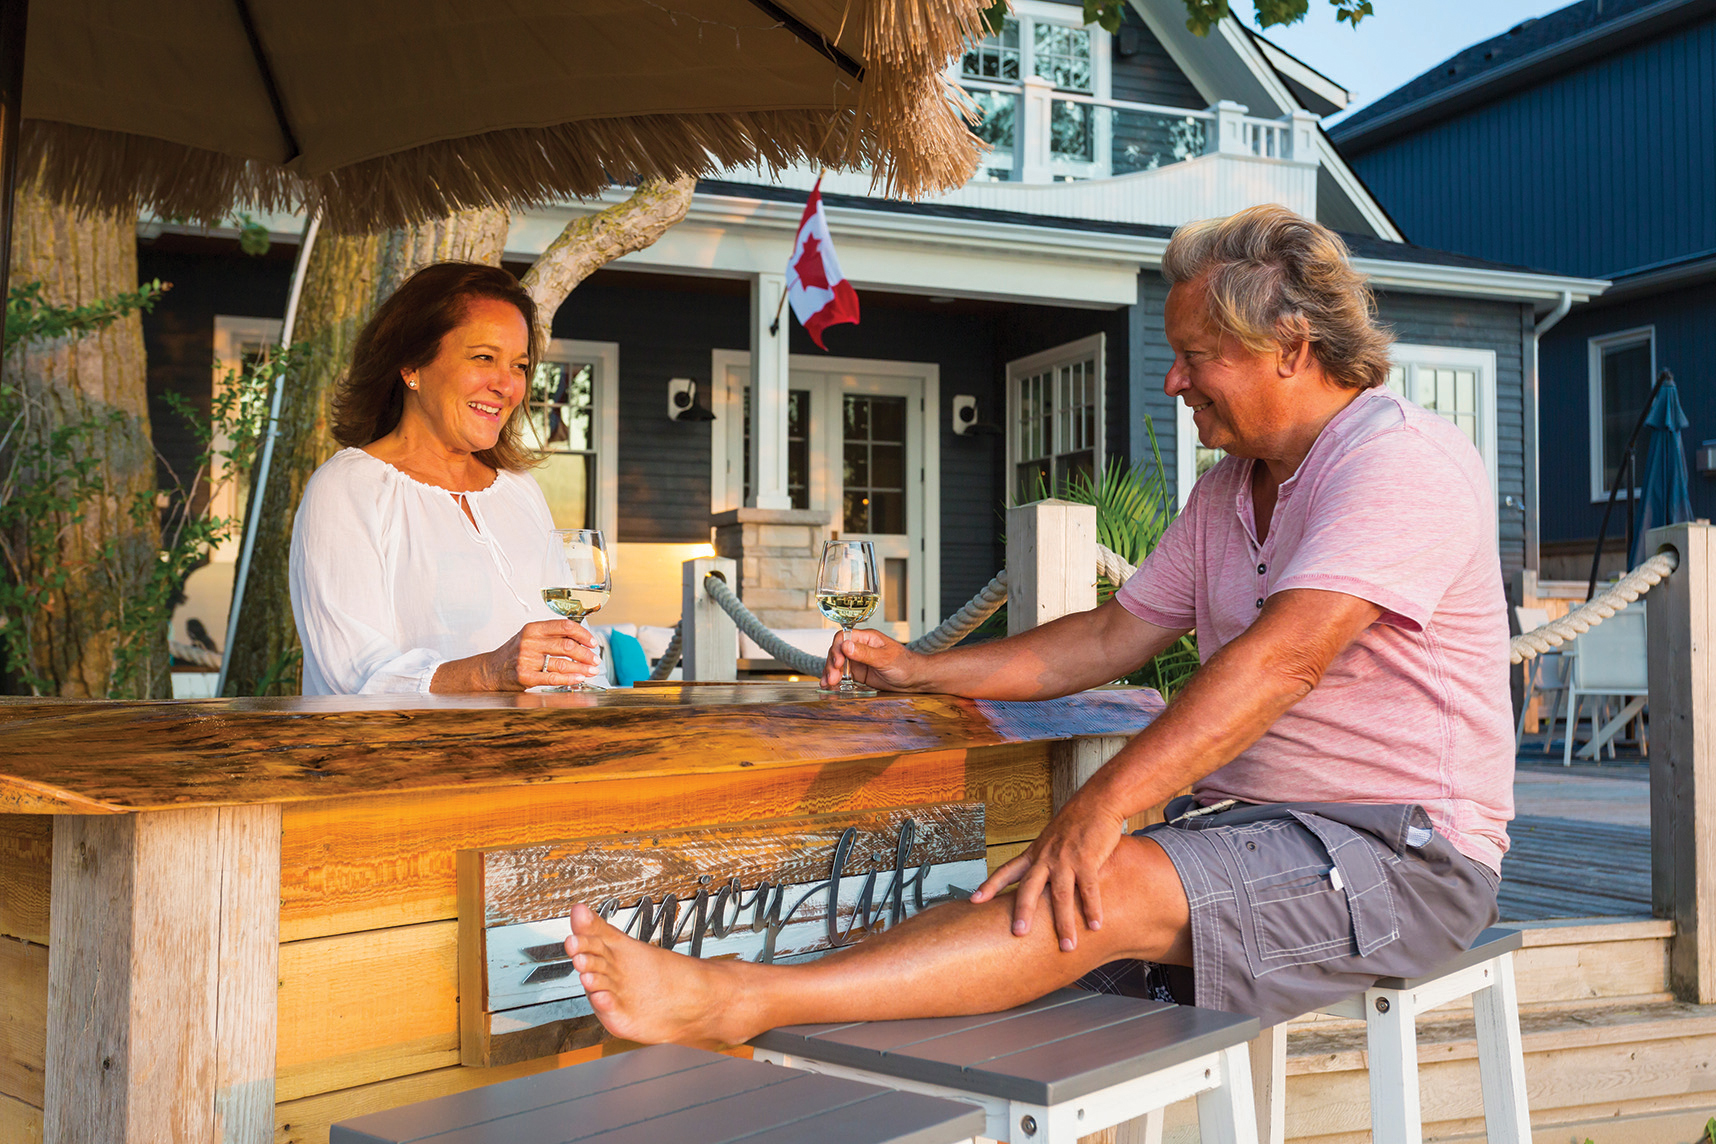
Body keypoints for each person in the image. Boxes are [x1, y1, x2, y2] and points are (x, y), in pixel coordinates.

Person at [561, 204, 1513, 1044]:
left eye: (1195, 356)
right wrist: (922, 671)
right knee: (1022, 890)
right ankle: (753, 996)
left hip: (1407, 854)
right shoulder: (1231, 488)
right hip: (1251, 830)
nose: (1174, 382)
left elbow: (1284, 660)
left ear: (1291, 349)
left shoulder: (1400, 463)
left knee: (1096, 877)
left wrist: (1098, 808)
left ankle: (739, 999)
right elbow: (1109, 637)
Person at [289, 262, 600, 695]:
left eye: (519, 366)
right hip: (409, 760)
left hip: (535, 755)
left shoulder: (519, 489)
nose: (507, 386)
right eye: (484, 358)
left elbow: (564, 645)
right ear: (411, 364)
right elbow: (353, 671)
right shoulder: (348, 489)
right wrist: (491, 672)